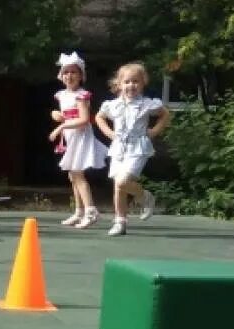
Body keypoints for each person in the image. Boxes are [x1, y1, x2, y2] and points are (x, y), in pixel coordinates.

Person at [94, 62, 171, 237]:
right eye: (127, 81)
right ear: (119, 84)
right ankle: (120, 221)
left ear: (143, 82)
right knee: (118, 186)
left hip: (138, 147)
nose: (131, 85)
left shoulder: (146, 104)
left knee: (122, 181)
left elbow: (165, 114)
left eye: (135, 81)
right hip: (119, 147)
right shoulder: (112, 105)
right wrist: (109, 133)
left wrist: (154, 131)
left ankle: (144, 197)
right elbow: (99, 117)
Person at [49, 52, 107, 228]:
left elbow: (83, 120)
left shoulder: (82, 95)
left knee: (77, 174)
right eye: (66, 72)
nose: (69, 75)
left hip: (81, 137)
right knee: (72, 175)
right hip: (71, 138)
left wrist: (61, 127)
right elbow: (63, 114)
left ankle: (91, 211)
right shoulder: (61, 95)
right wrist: (56, 115)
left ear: (81, 75)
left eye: (74, 72)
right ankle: (78, 211)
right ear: (61, 75)